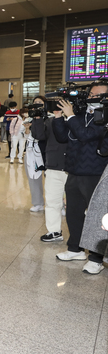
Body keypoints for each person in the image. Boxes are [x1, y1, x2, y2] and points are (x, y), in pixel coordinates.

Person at [53, 81, 108, 271]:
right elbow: (62, 137)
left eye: (98, 94)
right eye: (91, 94)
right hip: (75, 170)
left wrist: (70, 117)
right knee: (73, 213)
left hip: (95, 173)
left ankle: (95, 258)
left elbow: (85, 134)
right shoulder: (82, 113)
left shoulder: (105, 116)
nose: (93, 97)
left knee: (97, 218)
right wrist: (60, 117)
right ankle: (75, 248)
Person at [32, 102, 68, 242]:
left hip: (73, 167)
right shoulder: (50, 120)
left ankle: (81, 236)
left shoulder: (76, 119)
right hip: (53, 165)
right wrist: (37, 118)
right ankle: (54, 231)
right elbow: (38, 135)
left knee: (79, 204)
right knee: (52, 201)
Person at [24, 96, 47, 212]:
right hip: (32, 151)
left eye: (40, 103)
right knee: (34, 178)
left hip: (47, 152)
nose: (37, 104)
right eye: (35, 103)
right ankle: (37, 202)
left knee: (52, 180)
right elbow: (26, 136)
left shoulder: (50, 118)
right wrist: (27, 129)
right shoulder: (28, 119)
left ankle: (59, 205)